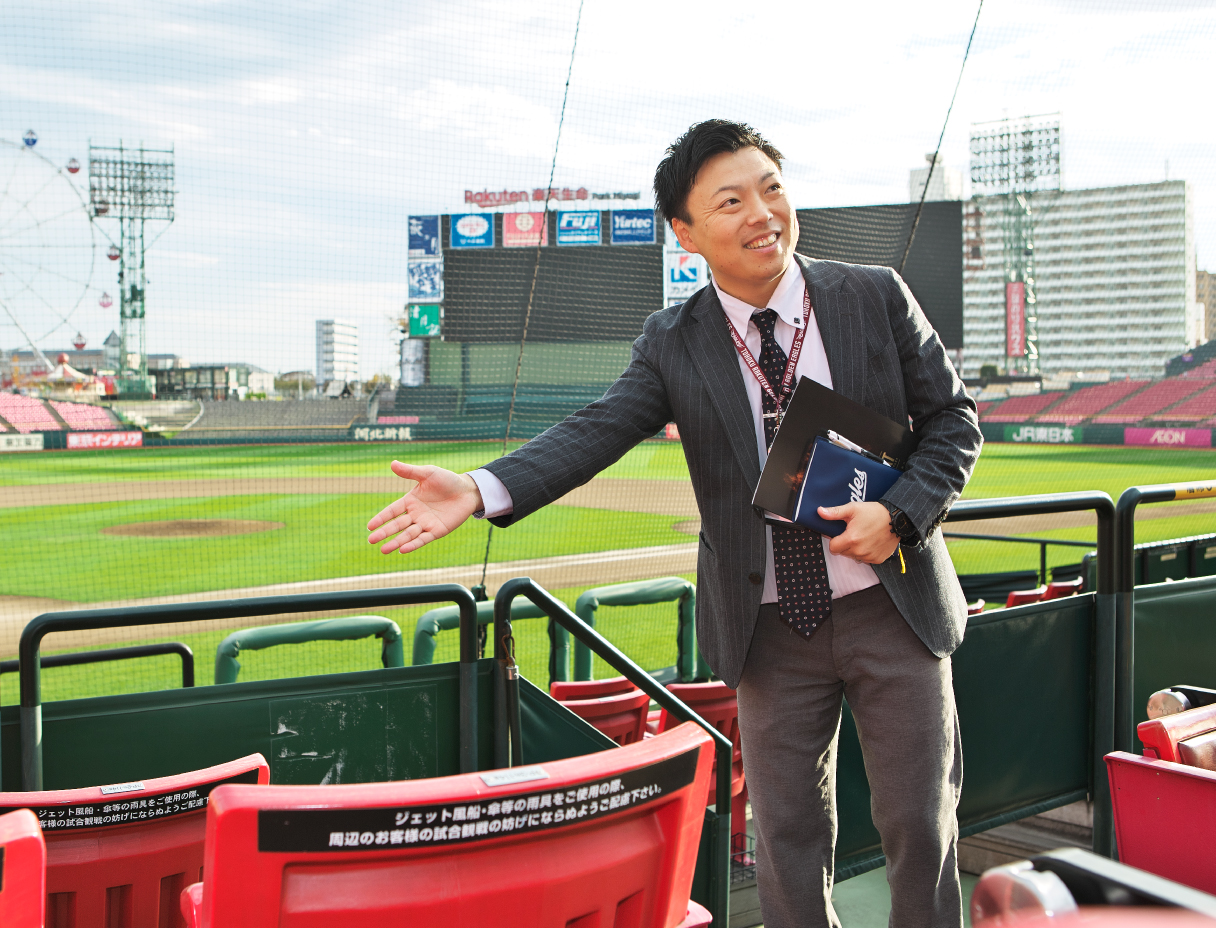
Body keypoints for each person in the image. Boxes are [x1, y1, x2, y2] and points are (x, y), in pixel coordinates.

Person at [367, 119, 982, 928]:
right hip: (770, 628)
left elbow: (955, 422)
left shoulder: (872, 295)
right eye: (732, 200)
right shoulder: (674, 340)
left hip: (891, 606)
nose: (762, 212)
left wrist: (900, 516)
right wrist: (482, 488)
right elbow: (597, 428)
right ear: (686, 232)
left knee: (919, 828)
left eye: (772, 188)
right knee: (788, 841)